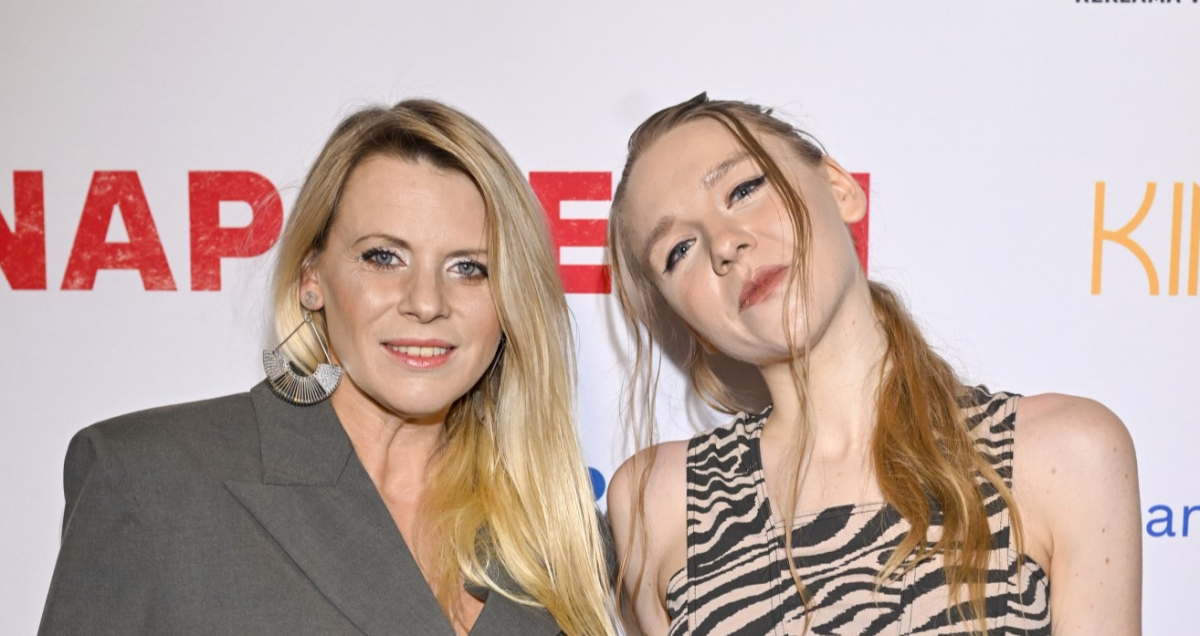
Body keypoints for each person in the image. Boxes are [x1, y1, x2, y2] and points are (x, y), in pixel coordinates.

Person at [39, 99, 617, 636]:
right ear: (311, 276)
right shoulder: (150, 480)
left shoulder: (563, 536)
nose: (426, 302)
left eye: (469, 268)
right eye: (383, 257)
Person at [605, 93, 1141, 636]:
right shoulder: (660, 506)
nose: (724, 243)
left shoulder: (1061, 454)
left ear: (839, 188)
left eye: (744, 190)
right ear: (692, 326)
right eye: (679, 250)